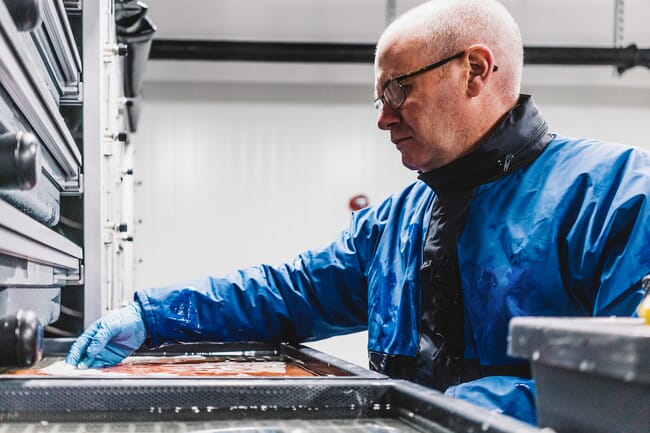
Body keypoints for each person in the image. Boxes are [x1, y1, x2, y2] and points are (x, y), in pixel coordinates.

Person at [66, 0, 650, 425]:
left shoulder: (615, 196)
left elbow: (629, 387)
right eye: (379, 98)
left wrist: (432, 415)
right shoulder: (395, 225)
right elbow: (286, 294)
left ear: (475, 70)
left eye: (397, 90)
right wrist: (152, 315)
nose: (383, 117)